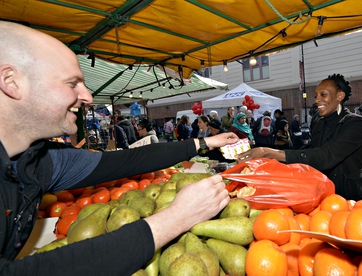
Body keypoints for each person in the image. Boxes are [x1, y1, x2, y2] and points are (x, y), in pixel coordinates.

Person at [0, 21, 239, 274]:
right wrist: (173, 220)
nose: (87, 97)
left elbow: (128, 161)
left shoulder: (40, 161)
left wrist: (204, 142)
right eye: (72, 84)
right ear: (11, 82)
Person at [236, 74, 362, 201]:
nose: (317, 100)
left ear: (340, 96)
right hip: (322, 190)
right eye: (316, 96)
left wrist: (269, 152)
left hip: (350, 195)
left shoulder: (356, 123)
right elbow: (310, 150)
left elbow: (326, 156)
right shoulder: (318, 121)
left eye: (323, 95)